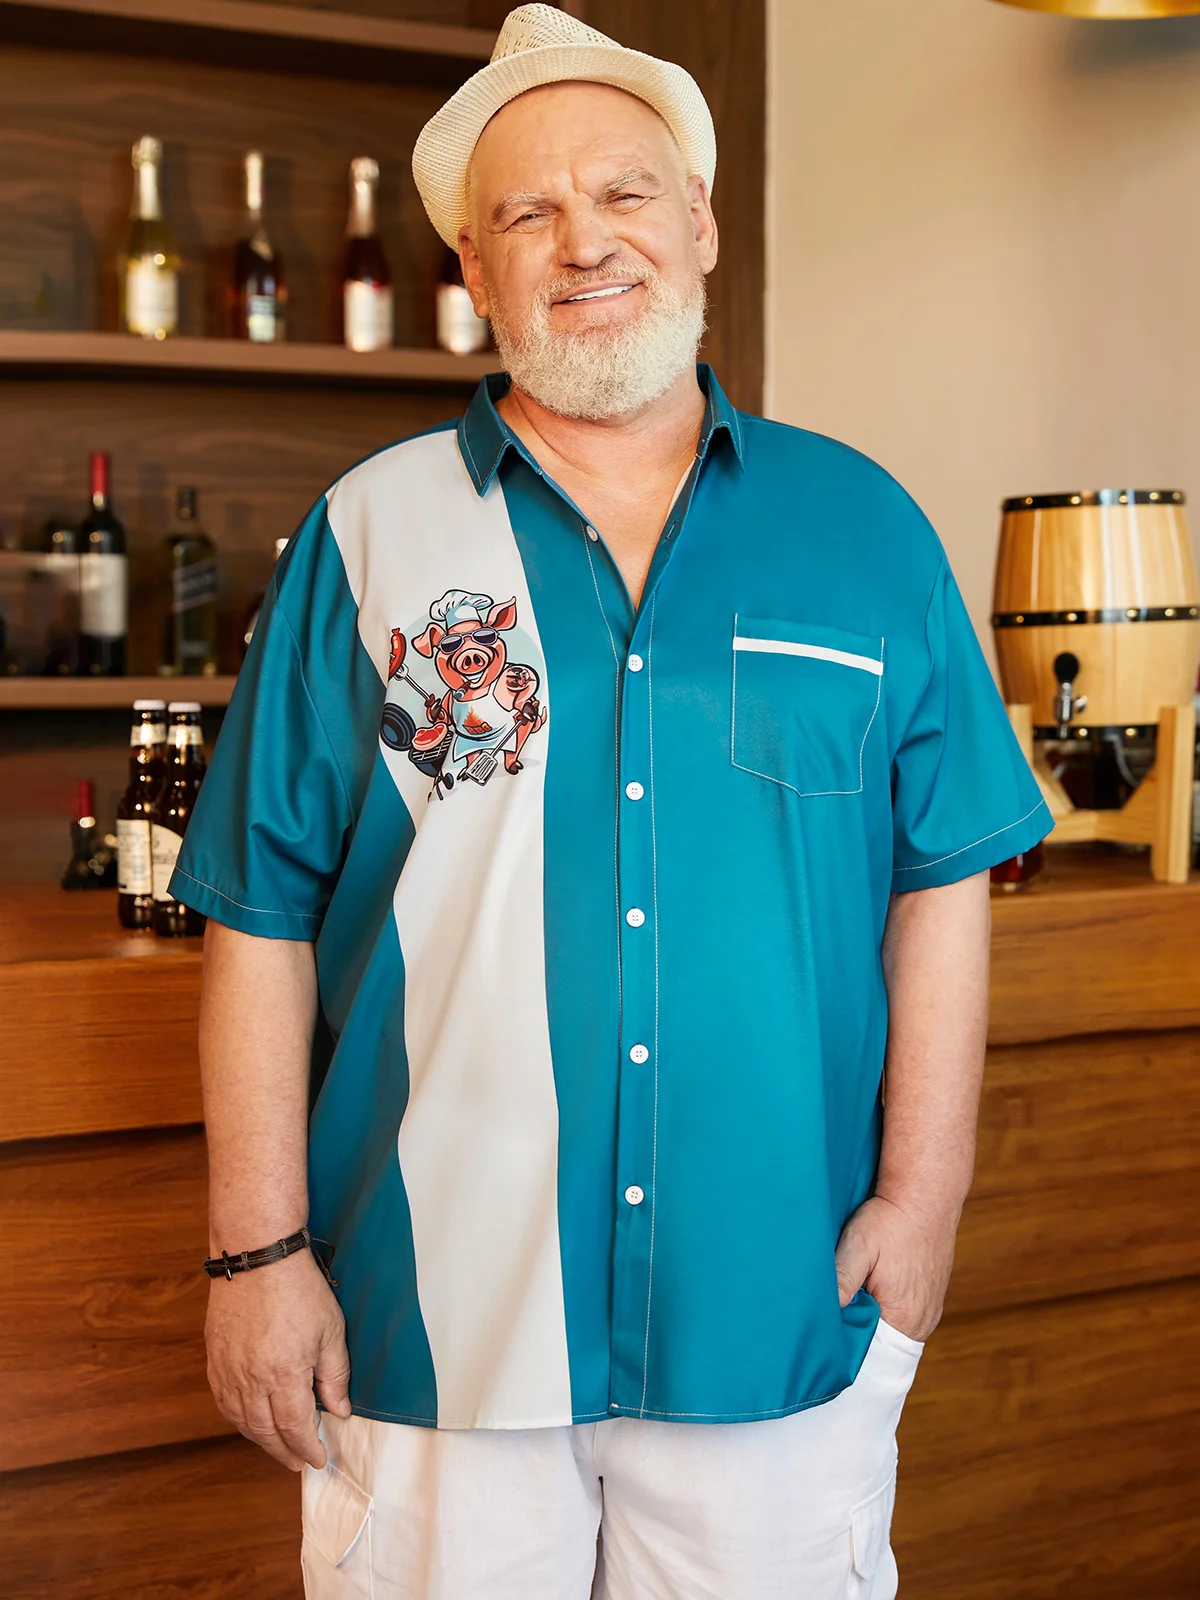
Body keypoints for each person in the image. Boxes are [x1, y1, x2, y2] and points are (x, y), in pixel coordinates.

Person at [175, 6, 1052, 1596]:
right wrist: (257, 1252)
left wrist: (928, 1197)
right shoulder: (366, 536)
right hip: (428, 1320)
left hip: (781, 1308)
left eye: (626, 193)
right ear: (474, 269)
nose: (585, 241)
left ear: (701, 223)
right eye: (529, 212)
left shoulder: (865, 530)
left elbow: (941, 882)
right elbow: (259, 912)